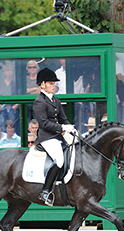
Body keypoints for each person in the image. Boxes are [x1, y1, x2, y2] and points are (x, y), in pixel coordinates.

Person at [32, 68, 74, 206]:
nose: (53, 85)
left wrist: (71, 128)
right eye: (50, 83)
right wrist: (62, 128)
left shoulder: (56, 100)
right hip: (47, 138)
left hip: (58, 137)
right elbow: (43, 123)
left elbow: (63, 119)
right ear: (42, 84)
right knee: (60, 160)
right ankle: (45, 191)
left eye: (54, 83)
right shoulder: (39, 101)